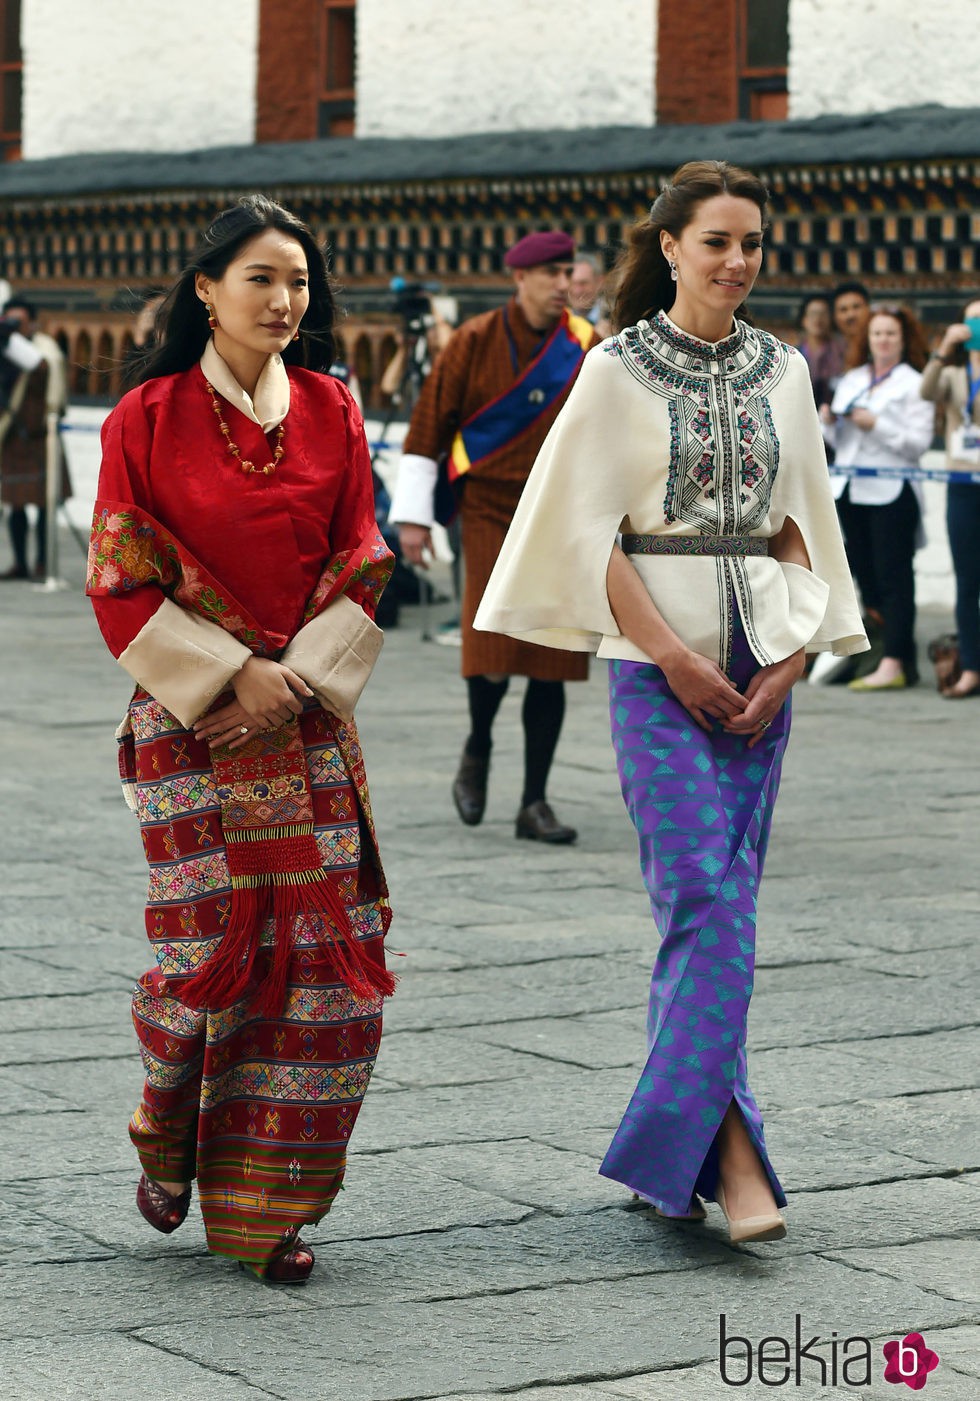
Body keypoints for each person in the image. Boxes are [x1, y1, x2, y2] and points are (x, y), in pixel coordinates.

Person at [477, 160, 867, 1242]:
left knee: (724, 905)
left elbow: (803, 527)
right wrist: (668, 655)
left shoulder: (784, 369)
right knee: (700, 893)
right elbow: (581, 532)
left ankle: (674, 1157)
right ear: (668, 248)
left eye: (750, 242)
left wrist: (788, 660)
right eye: (715, 243)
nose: (736, 262)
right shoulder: (614, 372)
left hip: (763, 655)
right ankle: (733, 1158)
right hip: (658, 665)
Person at [86, 195, 396, 1285]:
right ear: (205, 292)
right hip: (190, 725)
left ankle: (269, 1211)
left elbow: (363, 556)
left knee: (326, 974)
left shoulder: (331, 409)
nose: (282, 299)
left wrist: (292, 678)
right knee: (207, 958)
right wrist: (231, 674)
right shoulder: (148, 416)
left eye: (298, 281)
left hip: (306, 722)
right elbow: (119, 572)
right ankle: (166, 1128)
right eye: (260, 277)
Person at [390, 230, 598, 844]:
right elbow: (428, 427)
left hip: (558, 515)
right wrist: (412, 518)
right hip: (487, 511)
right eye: (552, 272)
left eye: (569, 271)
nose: (564, 283)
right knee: (493, 653)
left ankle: (535, 801)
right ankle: (477, 746)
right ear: (520, 278)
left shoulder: (588, 348)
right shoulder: (473, 341)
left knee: (553, 661)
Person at [821, 304, 934, 690]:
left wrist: (878, 425)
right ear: (866, 340)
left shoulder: (915, 383)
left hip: (892, 491)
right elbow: (840, 443)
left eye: (891, 334)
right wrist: (828, 422)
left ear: (904, 341)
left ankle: (896, 660)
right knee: (864, 576)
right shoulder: (850, 379)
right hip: (851, 489)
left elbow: (917, 444)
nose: (883, 340)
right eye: (877, 334)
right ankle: (880, 652)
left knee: (894, 578)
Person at [920, 299, 980, 698]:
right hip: (963, 481)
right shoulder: (955, 370)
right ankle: (972, 666)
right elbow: (925, 391)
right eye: (973, 319)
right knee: (967, 579)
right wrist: (944, 349)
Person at [0, 297, 70, 579]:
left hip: (42, 436)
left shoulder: (43, 349)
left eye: (21, 321)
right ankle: (20, 563)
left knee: (44, 503)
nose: (16, 327)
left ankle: (43, 562)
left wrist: (13, 346)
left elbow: (45, 369)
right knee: (14, 503)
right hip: (14, 436)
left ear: (32, 322)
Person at [796, 293, 844, 409]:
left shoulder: (841, 353)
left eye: (823, 314)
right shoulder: (794, 355)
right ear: (804, 320)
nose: (818, 319)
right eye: (813, 314)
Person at [832, 282, 870, 350]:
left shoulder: (882, 345)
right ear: (835, 316)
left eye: (856, 307)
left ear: (868, 309)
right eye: (843, 310)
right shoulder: (829, 351)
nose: (851, 315)